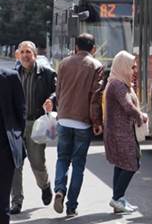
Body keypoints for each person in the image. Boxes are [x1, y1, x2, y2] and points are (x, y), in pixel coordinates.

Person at [53, 33, 104, 218]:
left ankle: (59, 189)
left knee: (62, 159)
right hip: (83, 122)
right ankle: (71, 205)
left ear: (75, 47)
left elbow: (58, 91)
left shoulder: (64, 63)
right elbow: (95, 97)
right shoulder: (96, 66)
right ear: (93, 49)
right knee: (78, 165)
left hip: (64, 118)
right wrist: (97, 122)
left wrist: (62, 111)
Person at [10, 41, 56, 215]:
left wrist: (52, 99)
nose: (25, 55)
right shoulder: (12, 74)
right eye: (21, 52)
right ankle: (16, 201)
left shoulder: (47, 73)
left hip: (36, 124)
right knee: (16, 163)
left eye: (28, 51)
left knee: (37, 162)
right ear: (17, 55)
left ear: (35, 54)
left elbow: (57, 91)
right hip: (15, 125)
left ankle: (45, 186)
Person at [103, 51, 147, 214]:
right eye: (132, 67)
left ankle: (119, 199)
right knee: (132, 164)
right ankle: (117, 198)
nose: (134, 70)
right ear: (122, 66)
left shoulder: (120, 83)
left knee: (121, 165)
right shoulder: (117, 85)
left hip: (121, 131)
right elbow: (127, 106)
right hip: (119, 133)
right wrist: (140, 116)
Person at [0, 68, 25, 224]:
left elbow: (21, 111)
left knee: (2, 200)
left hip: (4, 148)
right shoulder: (10, 76)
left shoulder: (10, 77)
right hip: (5, 148)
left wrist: (15, 137)